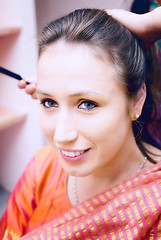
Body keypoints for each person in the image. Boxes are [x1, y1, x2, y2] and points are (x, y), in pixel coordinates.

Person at [0, 7, 161, 240]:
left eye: (87, 104)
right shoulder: (43, 168)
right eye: (49, 102)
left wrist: (148, 24)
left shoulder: (154, 205)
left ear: (137, 100)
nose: (61, 136)